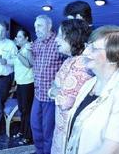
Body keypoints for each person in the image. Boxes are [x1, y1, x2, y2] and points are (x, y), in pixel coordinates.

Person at [65, 25, 119, 154]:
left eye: (93, 48)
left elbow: (116, 150)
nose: (85, 52)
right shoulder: (89, 84)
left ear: (114, 57)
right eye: (88, 45)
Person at [49, 19, 92, 154]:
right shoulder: (69, 59)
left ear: (74, 37)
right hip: (61, 126)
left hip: (70, 130)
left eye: (61, 36)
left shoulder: (82, 63)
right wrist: (56, 90)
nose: (56, 39)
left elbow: (66, 102)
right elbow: (54, 87)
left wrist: (55, 90)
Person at [30, 15, 65, 154]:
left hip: (51, 98)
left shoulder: (58, 42)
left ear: (49, 27)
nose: (36, 29)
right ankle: (39, 152)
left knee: (48, 132)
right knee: (35, 127)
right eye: (35, 26)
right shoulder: (37, 43)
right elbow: (33, 64)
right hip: (38, 94)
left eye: (39, 26)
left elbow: (69, 64)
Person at [12, 29, 34, 145]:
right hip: (20, 83)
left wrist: (18, 54)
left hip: (28, 84)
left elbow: (30, 64)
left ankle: (28, 136)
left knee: (27, 111)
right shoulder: (21, 49)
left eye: (20, 37)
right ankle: (21, 131)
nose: (17, 39)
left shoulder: (29, 48)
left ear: (26, 38)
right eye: (17, 36)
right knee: (22, 110)